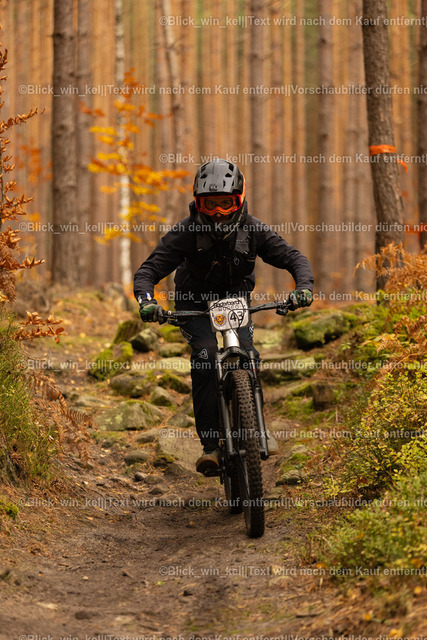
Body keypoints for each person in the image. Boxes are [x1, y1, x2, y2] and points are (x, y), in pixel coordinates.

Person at [134, 158, 314, 475]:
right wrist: (147, 301)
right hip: (193, 301)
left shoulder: (253, 229)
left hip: (234, 298)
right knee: (205, 356)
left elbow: (292, 257)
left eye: (225, 203)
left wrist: (304, 288)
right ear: (198, 203)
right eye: (210, 204)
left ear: (239, 200)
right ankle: (210, 447)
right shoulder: (186, 232)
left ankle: (256, 428)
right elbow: (149, 270)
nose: (218, 212)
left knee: (248, 354)